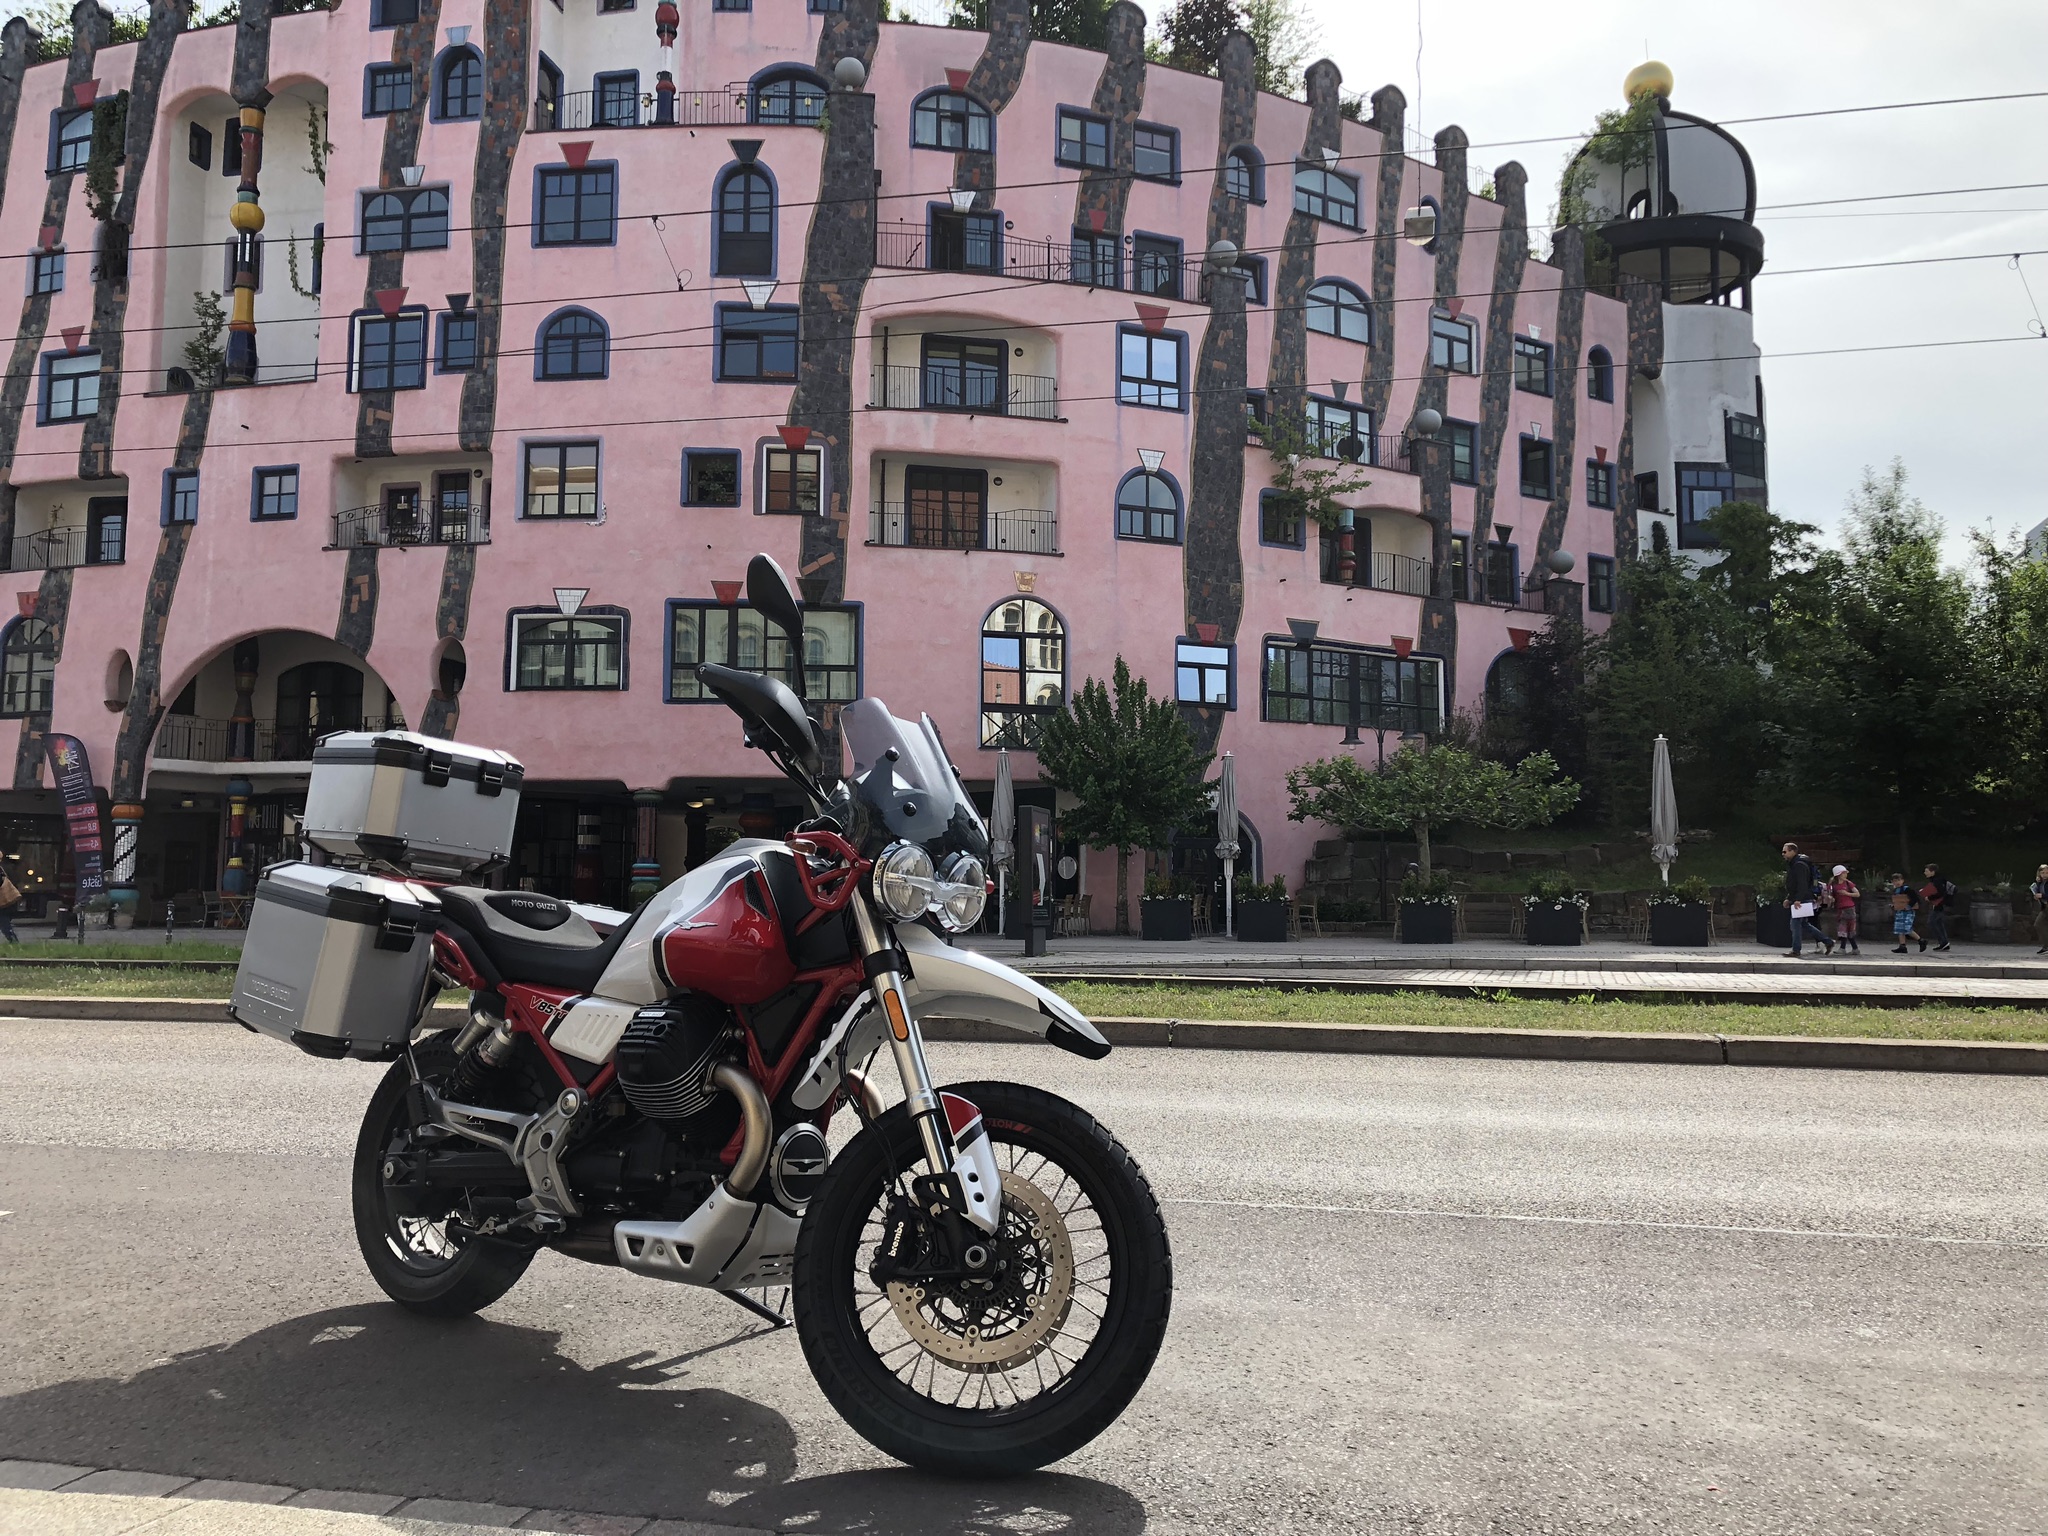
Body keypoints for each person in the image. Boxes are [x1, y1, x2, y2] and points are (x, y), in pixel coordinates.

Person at [1781, 842, 1832, 957]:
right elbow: (1794, 885)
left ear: (1793, 851)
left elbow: (1802, 884)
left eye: (1785, 851)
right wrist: (1789, 898)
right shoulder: (1795, 864)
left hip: (1802, 899)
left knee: (1795, 924)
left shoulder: (1799, 865)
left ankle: (1796, 950)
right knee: (1804, 924)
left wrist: (1797, 899)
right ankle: (1828, 941)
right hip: (1802, 898)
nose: (1783, 854)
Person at [1919, 863, 1956, 953]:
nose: (1925, 873)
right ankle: (1944, 943)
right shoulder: (1938, 879)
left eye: (1927, 871)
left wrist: (1929, 897)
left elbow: (1940, 893)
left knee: (1932, 922)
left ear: (1932, 872)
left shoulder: (1937, 881)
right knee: (1938, 922)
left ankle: (1943, 942)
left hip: (1940, 904)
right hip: (1942, 903)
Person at [1828, 865, 1860, 955]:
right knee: (1843, 929)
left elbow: (1857, 894)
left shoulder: (1848, 883)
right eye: (1843, 873)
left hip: (1850, 908)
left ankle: (1847, 948)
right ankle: (1852, 948)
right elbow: (1831, 895)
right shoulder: (1833, 885)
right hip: (1840, 909)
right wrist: (1831, 899)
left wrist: (1846, 893)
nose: (1845, 875)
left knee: (1849, 929)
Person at [1888, 873, 1921, 954]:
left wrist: (1909, 906)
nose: (1897, 882)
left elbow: (1915, 898)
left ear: (1902, 880)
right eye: (1895, 881)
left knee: (1907, 928)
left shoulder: (1907, 889)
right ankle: (1902, 946)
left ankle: (1921, 940)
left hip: (1908, 912)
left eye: (1899, 880)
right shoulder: (1895, 891)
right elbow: (1897, 901)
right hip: (1900, 912)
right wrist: (1894, 905)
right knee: (1900, 929)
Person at [2032, 865, 2048, 954]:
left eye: (2047, 873)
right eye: (2042, 873)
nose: (2045, 875)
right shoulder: (2040, 882)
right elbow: (2037, 892)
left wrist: (2042, 896)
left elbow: (2044, 894)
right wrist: (2036, 896)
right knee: (2038, 924)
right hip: (2044, 907)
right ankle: (2046, 946)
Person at [0, 870, 18, 943]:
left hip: (3, 904)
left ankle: (14, 942)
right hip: (5, 904)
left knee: (5, 925)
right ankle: (14, 942)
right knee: (5, 925)